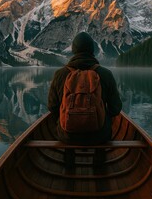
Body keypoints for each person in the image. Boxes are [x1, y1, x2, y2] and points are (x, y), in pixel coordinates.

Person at [48, 32, 122, 167]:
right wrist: (100, 115)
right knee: (103, 129)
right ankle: (99, 167)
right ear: (93, 50)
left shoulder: (60, 74)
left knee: (64, 130)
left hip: (67, 135)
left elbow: (52, 107)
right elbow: (116, 108)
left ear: (73, 50)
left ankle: (69, 165)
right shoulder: (105, 74)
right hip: (99, 135)